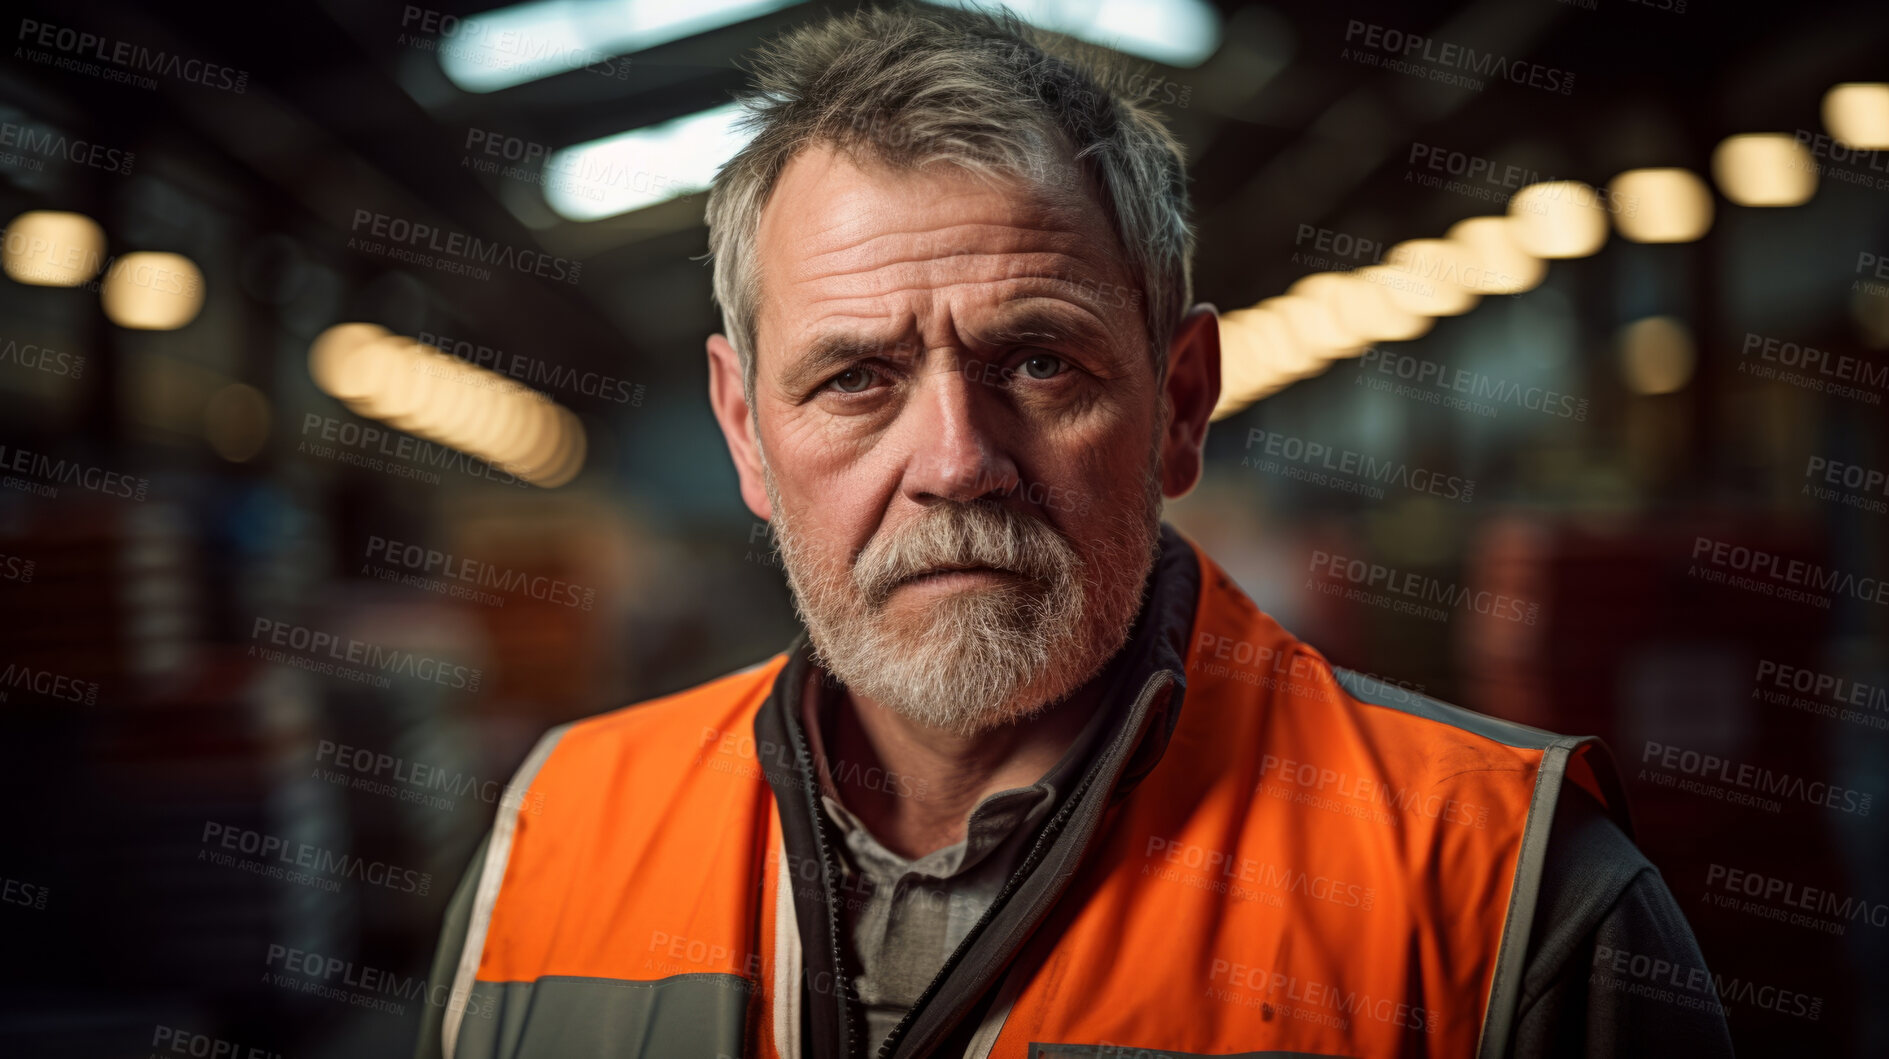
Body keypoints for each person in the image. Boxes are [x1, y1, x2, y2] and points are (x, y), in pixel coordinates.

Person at [416, 5, 1733, 1057]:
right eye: (853, 379)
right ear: (744, 431)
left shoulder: (1504, 901)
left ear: (1178, 403)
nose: (954, 464)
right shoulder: (553, 834)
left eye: (1040, 366)